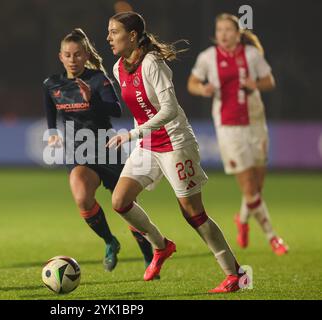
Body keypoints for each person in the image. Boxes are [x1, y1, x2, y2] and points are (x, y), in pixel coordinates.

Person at [106, 11, 246, 293]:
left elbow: (169, 110)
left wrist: (133, 134)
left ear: (132, 36)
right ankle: (161, 246)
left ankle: (236, 274)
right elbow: (139, 109)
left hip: (175, 143)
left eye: (114, 32)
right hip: (148, 145)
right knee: (120, 201)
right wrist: (139, 136)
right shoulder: (118, 67)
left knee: (193, 213)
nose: (109, 38)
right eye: (108, 32)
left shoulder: (152, 63)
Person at [43, 28, 155, 272]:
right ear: (60, 57)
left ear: (86, 56)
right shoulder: (52, 84)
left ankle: (150, 256)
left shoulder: (99, 80)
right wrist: (52, 131)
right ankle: (109, 241)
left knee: (127, 207)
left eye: (77, 54)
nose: (72, 60)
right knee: (82, 198)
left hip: (107, 149)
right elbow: (50, 108)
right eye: (67, 55)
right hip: (78, 153)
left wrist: (92, 98)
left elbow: (116, 110)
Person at [187, 13, 288, 255]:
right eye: (219, 29)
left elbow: (269, 81)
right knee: (249, 188)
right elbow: (191, 83)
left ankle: (242, 219)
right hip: (228, 128)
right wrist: (203, 88)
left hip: (255, 122)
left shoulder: (252, 55)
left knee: (256, 187)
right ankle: (273, 237)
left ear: (237, 33)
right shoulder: (207, 57)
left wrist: (256, 85)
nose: (223, 34)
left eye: (228, 29)